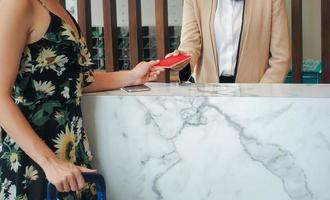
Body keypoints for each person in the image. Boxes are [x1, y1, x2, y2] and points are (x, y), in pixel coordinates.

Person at [0, 0, 162, 199]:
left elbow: (73, 80)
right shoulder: (17, 4)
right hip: (34, 161)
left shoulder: (55, 5)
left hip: (72, 154)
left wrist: (132, 76)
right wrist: (50, 162)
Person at [169, 0, 291, 83]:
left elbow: (281, 57)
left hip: (255, 94)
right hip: (208, 95)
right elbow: (190, 43)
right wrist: (180, 60)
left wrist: (260, 95)